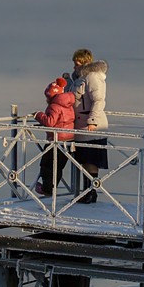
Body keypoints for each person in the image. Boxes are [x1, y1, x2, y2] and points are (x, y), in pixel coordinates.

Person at [66, 48, 109, 204]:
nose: (74, 67)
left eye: (76, 63)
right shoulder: (79, 79)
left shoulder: (92, 77)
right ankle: (85, 192)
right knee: (83, 160)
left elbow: (99, 100)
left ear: (84, 62)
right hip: (80, 126)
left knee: (91, 160)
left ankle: (91, 192)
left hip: (91, 126)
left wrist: (93, 121)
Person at [33, 77, 75, 196]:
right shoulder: (68, 105)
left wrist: (38, 115)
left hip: (56, 140)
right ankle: (52, 188)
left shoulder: (54, 106)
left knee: (46, 164)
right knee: (58, 166)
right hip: (68, 140)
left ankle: (48, 189)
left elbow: (50, 122)